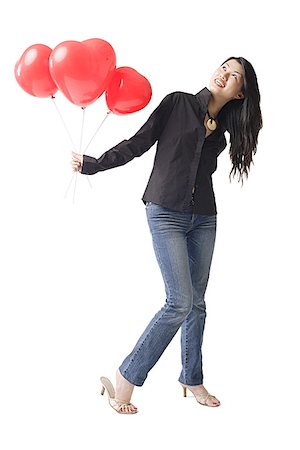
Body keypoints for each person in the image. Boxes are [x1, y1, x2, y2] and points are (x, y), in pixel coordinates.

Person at [71, 56, 263, 414]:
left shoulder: (223, 130)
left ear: (240, 93)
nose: (225, 74)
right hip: (165, 212)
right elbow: (139, 141)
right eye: (224, 66)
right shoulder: (178, 103)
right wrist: (94, 164)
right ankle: (126, 376)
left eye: (235, 75)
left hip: (204, 217)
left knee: (198, 302)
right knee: (179, 301)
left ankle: (192, 378)